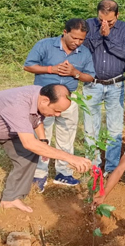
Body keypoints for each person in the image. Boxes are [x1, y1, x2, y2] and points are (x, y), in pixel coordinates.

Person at [0, 84, 93, 223]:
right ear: (45, 101)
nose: (57, 115)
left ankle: (12, 198)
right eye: (56, 110)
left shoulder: (40, 96)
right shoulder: (18, 103)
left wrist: (43, 140)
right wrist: (70, 158)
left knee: (29, 154)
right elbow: (29, 143)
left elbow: (37, 119)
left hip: (5, 125)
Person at [24, 18, 96, 190]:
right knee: (43, 136)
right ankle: (39, 173)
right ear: (65, 32)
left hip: (70, 101)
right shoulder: (45, 45)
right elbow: (28, 66)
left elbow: (90, 77)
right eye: (74, 38)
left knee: (67, 135)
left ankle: (63, 173)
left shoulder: (84, 53)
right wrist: (51, 69)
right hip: (45, 102)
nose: (77, 42)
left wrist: (75, 73)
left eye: (81, 39)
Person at [82, 0, 125, 174]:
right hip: (92, 84)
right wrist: (99, 34)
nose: (105, 24)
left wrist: (109, 35)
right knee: (90, 126)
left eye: (110, 21)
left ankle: (111, 168)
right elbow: (85, 49)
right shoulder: (88, 25)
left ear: (117, 16)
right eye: (101, 20)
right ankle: (93, 165)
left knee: (114, 128)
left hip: (116, 84)